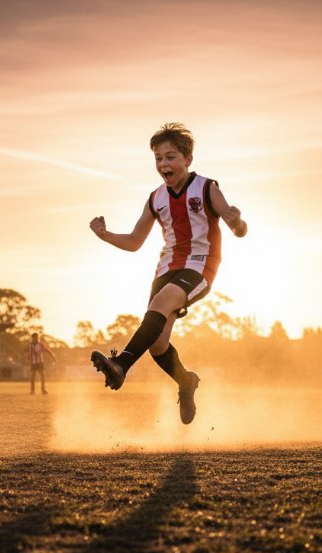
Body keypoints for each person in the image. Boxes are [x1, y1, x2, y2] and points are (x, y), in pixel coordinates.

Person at [89, 122, 248, 424]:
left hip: (201, 265)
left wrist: (237, 223)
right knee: (158, 344)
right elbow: (136, 241)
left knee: (161, 305)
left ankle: (121, 365)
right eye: (159, 158)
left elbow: (237, 227)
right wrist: (105, 235)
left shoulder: (206, 187)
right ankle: (186, 382)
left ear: (187, 159)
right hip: (165, 270)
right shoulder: (156, 198)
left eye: (171, 156)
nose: (164, 163)